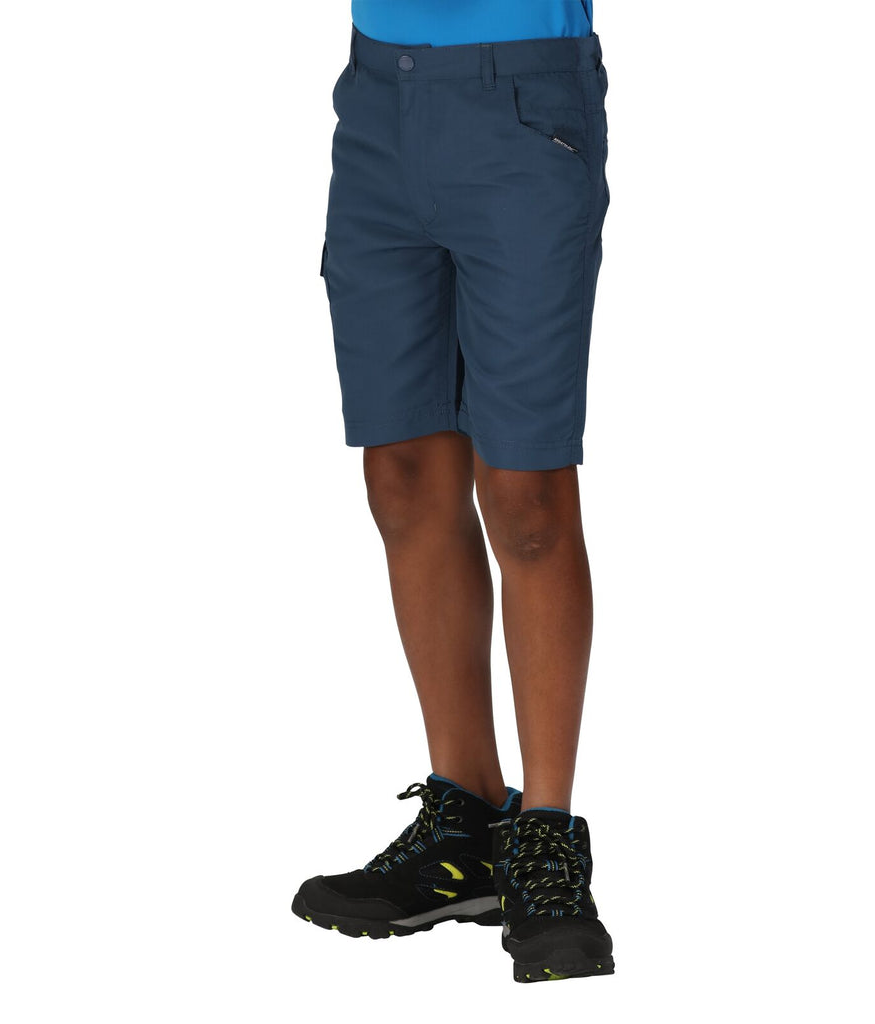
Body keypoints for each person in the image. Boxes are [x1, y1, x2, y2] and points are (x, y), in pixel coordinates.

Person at [294, 1, 613, 983]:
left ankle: (547, 841)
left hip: (523, 93)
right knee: (401, 470)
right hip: (378, 102)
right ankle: (465, 818)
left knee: (526, 492)